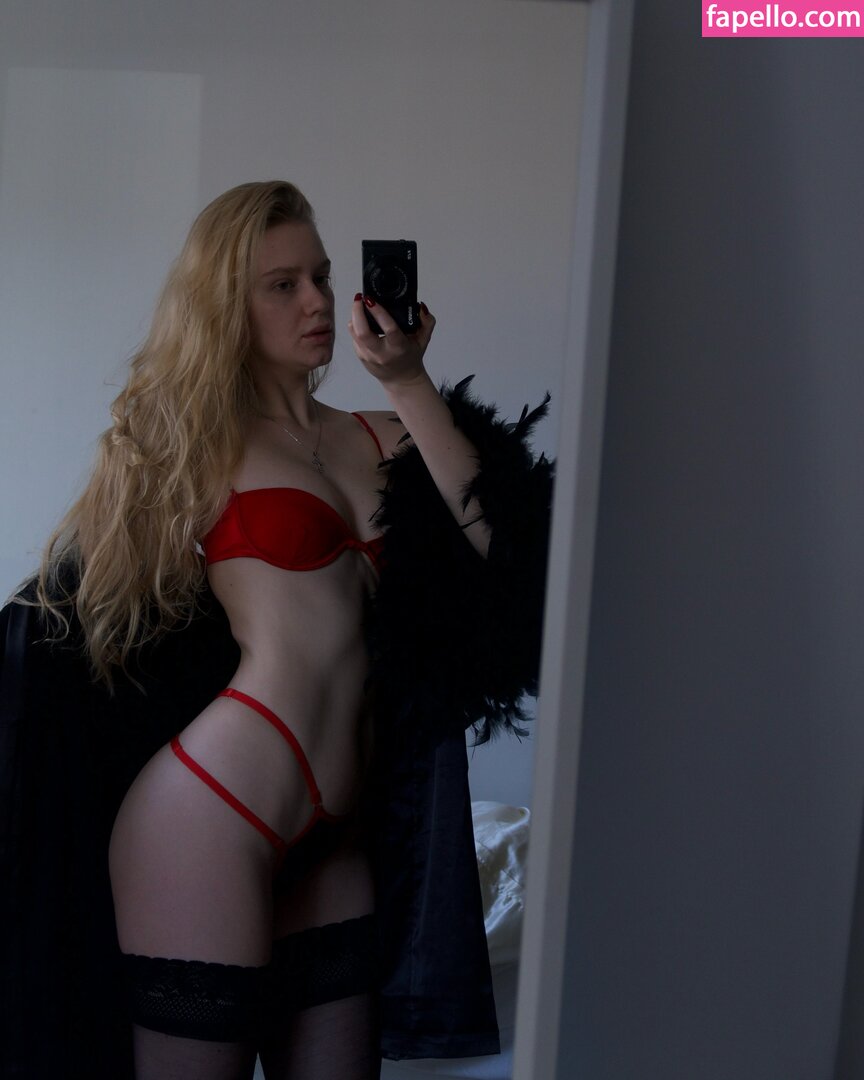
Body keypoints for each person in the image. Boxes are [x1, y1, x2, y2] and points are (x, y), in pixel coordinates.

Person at [0, 181, 553, 1080]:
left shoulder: (386, 434)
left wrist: (408, 380)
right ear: (229, 305)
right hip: (214, 812)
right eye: (283, 285)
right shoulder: (189, 447)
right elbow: (71, 613)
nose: (318, 303)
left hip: (338, 833)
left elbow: (509, 548)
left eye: (323, 278)